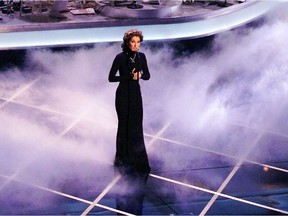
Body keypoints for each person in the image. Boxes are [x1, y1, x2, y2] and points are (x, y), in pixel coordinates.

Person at [109, 29, 151, 174]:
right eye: (133, 42)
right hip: (123, 95)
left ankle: (138, 160)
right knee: (124, 126)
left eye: (138, 42)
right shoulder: (120, 57)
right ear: (127, 42)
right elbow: (111, 77)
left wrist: (139, 75)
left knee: (136, 126)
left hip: (135, 94)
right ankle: (122, 160)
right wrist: (127, 76)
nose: (135, 45)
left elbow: (147, 75)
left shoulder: (142, 57)